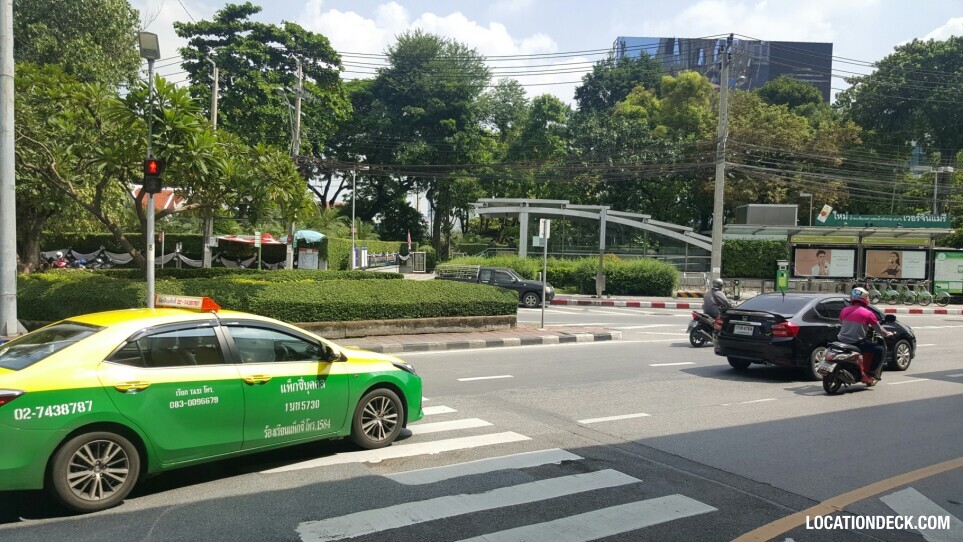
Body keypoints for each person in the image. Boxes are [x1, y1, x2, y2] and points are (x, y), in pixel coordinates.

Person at [838, 287, 892, 386]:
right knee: (880, 349)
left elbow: (841, 322)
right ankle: (871, 372)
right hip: (856, 342)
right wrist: (887, 333)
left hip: (841, 340)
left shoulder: (844, 310)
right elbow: (878, 329)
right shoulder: (868, 313)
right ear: (865, 298)